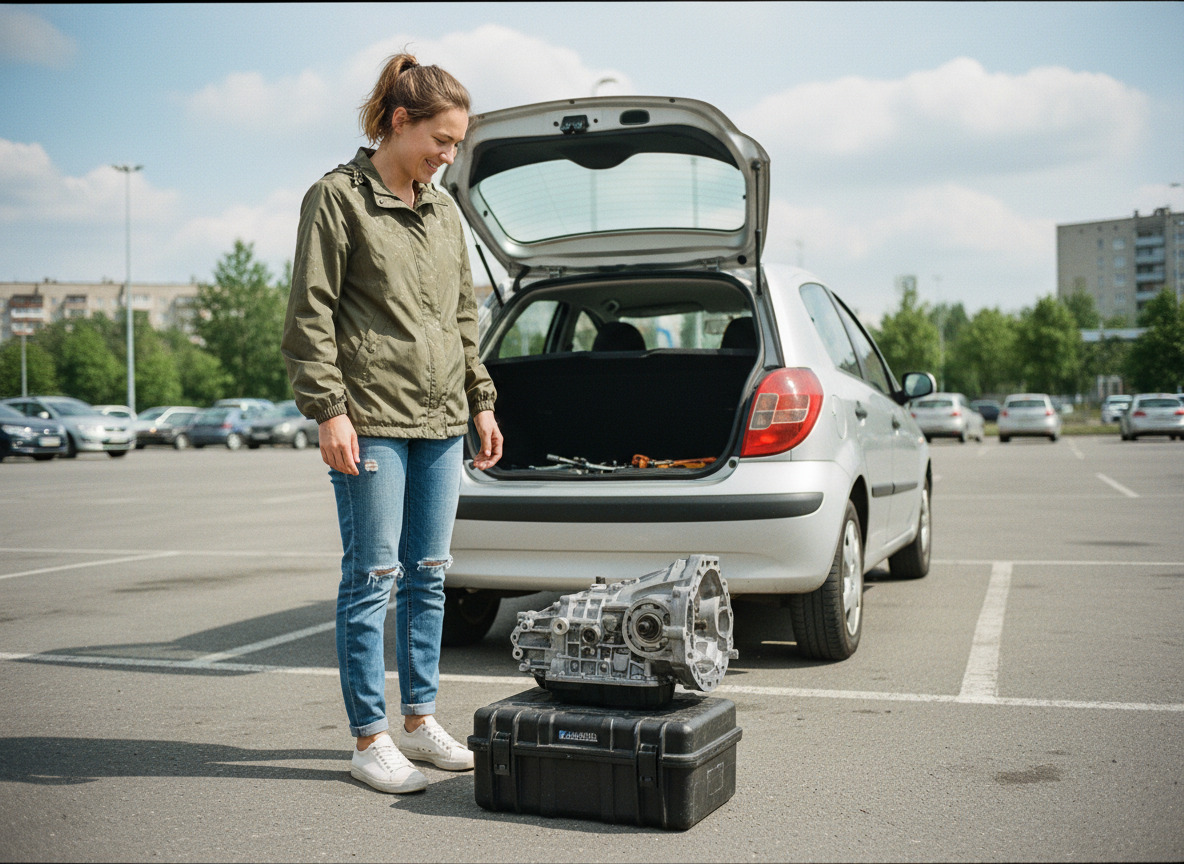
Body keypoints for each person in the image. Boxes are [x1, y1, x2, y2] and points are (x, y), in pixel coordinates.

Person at [281, 53, 502, 795]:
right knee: (372, 575)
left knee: (430, 577)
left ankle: (419, 720)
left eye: (457, 144)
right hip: (370, 418)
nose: (448, 156)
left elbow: (463, 317)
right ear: (399, 122)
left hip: (441, 420)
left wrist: (481, 399)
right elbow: (310, 314)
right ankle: (369, 737)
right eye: (441, 140)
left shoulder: (443, 212)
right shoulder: (336, 198)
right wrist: (330, 410)